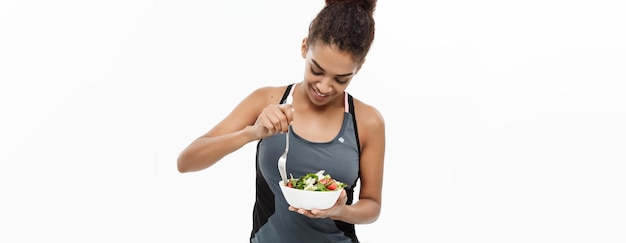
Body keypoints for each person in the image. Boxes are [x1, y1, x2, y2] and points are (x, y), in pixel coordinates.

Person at [177, 0, 384, 242]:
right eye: (316, 70)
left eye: (341, 79)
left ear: (358, 69)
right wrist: (251, 133)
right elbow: (186, 161)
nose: (325, 87)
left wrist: (341, 210)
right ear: (304, 48)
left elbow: (372, 205)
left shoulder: (368, 121)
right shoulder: (267, 99)